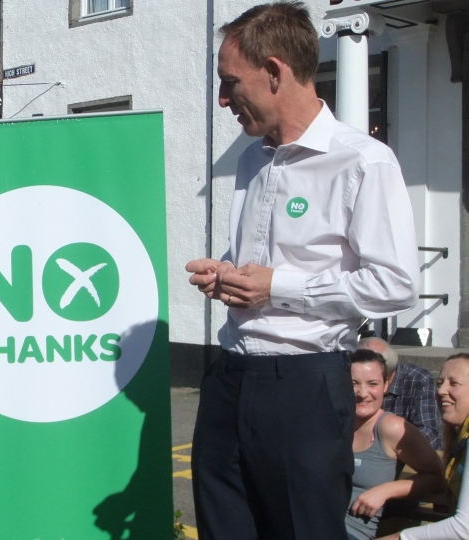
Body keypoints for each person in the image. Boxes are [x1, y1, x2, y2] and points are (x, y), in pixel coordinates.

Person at [185, 3, 420, 539]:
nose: (223, 100)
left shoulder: (364, 160)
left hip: (304, 383)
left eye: (230, 83)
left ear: (274, 71)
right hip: (230, 375)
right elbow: (262, 262)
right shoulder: (252, 159)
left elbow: (397, 284)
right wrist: (227, 274)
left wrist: (277, 287)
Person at [345, 349, 443, 540]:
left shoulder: (392, 428)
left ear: (386, 384)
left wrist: (385, 491)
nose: (362, 393)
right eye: (353, 383)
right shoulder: (333, 424)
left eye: (372, 384)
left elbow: (437, 477)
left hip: (352, 532)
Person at [377, 354, 469, 540]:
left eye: (454, 383)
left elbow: (464, 528)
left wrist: (398, 538)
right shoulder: (460, 439)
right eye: (440, 382)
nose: (441, 390)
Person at [359, 337, 441, 450]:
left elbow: (428, 435)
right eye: (355, 381)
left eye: (372, 383)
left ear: (386, 378)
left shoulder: (418, 379)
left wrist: (385, 448)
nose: (362, 393)